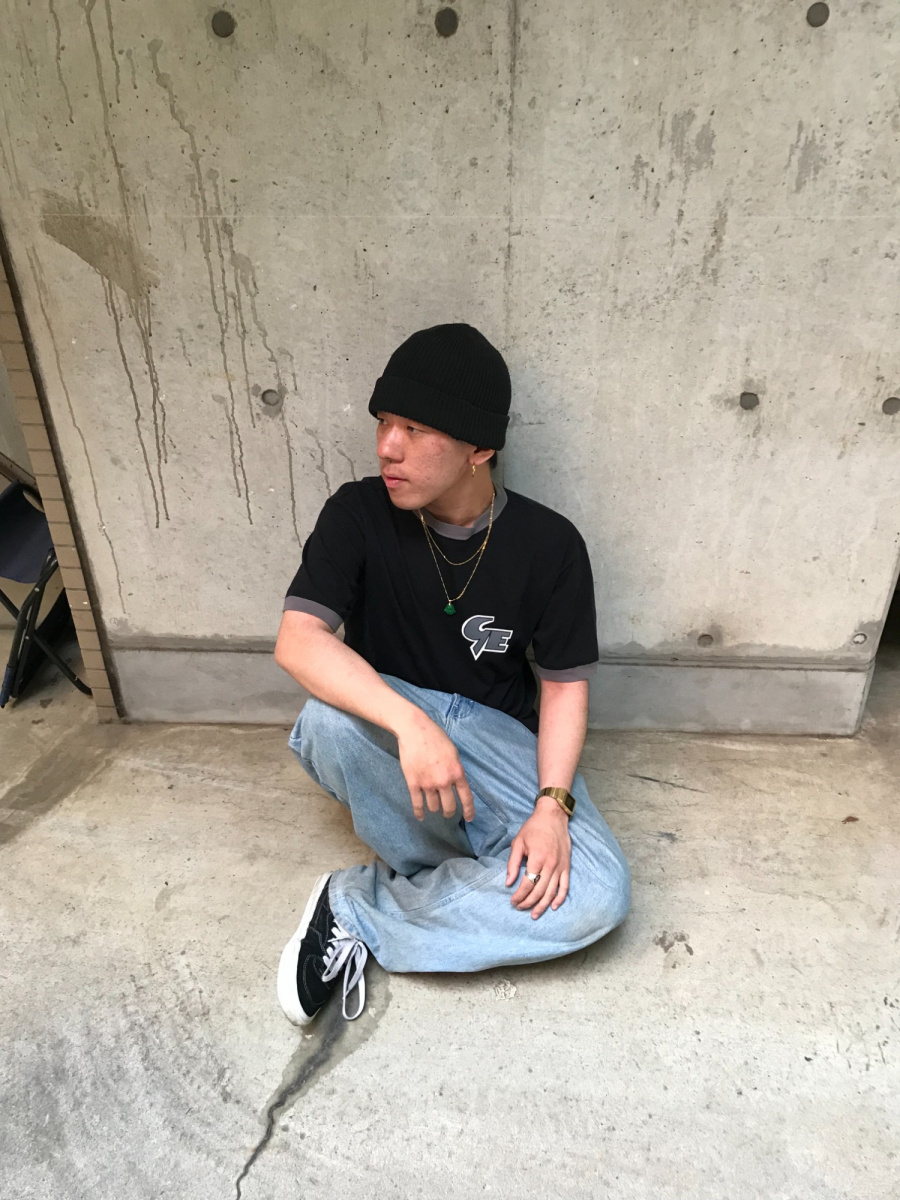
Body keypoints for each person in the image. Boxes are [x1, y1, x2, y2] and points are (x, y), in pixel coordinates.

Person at [273, 322, 630, 1026]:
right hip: (395, 733)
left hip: (500, 745)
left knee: (596, 895)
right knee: (327, 723)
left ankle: (359, 907)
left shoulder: (550, 545)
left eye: (414, 428)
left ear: (480, 449)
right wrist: (412, 724)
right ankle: (470, 880)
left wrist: (551, 807)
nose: (387, 446)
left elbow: (564, 687)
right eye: (383, 422)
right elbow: (298, 641)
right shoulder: (357, 514)